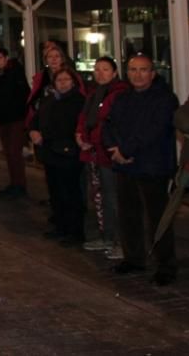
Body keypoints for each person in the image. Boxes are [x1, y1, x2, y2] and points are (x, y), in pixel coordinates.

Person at [103, 53, 179, 286]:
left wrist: (125, 150)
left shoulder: (165, 99)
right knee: (128, 215)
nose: (138, 74)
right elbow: (108, 124)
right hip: (125, 165)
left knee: (158, 218)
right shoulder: (122, 98)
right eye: (133, 70)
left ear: (153, 73)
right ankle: (134, 258)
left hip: (152, 165)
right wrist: (114, 148)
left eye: (143, 70)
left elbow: (153, 131)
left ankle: (166, 265)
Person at [76, 57, 128, 259]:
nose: (100, 73)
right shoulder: (93, 93)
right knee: (101, 196)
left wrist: (95, 139)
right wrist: (81, 135)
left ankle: (120, 240)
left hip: (109, 153)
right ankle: (107, 235)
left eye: (105, 69)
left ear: (114, 73)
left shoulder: (119, 94)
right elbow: (85, 118)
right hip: (95, 152)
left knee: (114, 197)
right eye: (97, 69)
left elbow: (109, 123)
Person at [30, 68, 86, 246]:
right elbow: (36, 120)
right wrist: (33, 131)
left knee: (70, 193)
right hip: (50, 153)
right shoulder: (49, 100)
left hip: (68, 153)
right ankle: (61, 226)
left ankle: (75, 231)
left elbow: (72, 126)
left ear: (73, 82)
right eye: (59, 80)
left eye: (66, 79)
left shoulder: (78, 102)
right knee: (55, 192)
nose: (62, 83)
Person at [0, 48, 30, 198]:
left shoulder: (14, 72)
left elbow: (20, 93)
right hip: (4, 118)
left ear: (6, 58)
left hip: (15, 118)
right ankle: (15, 183)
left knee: (14, 152)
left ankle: (19, 185)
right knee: (8, 152)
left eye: (0, 58)